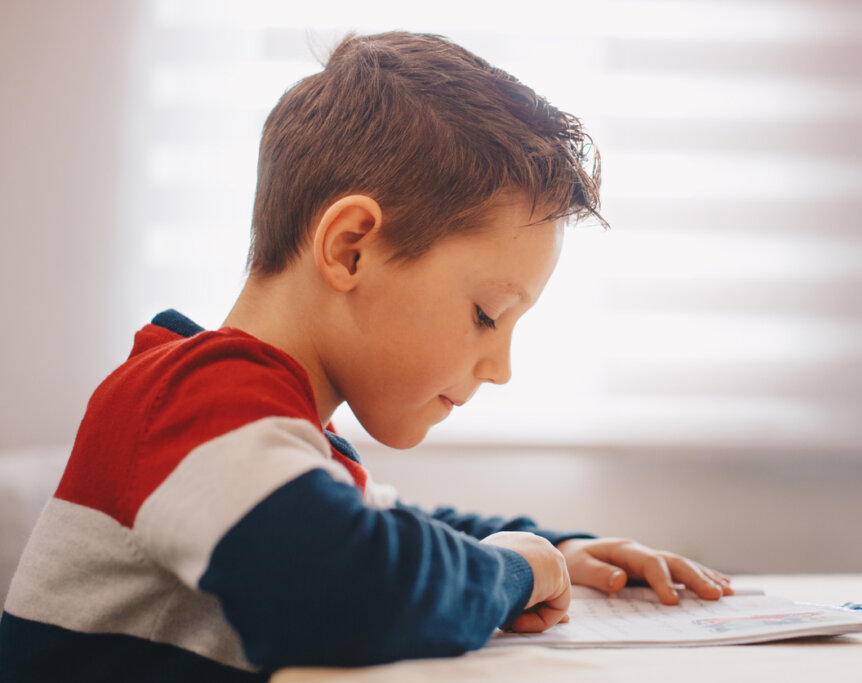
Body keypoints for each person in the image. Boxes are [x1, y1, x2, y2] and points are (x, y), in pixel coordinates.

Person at [0, 31, 732, 682]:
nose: (501, 367)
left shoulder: (265, 427)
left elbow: (393, 526)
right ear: (351, 248)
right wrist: (514, 570)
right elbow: (346, 584)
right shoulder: (192, 398)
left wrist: (555, 549)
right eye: (486, 315)